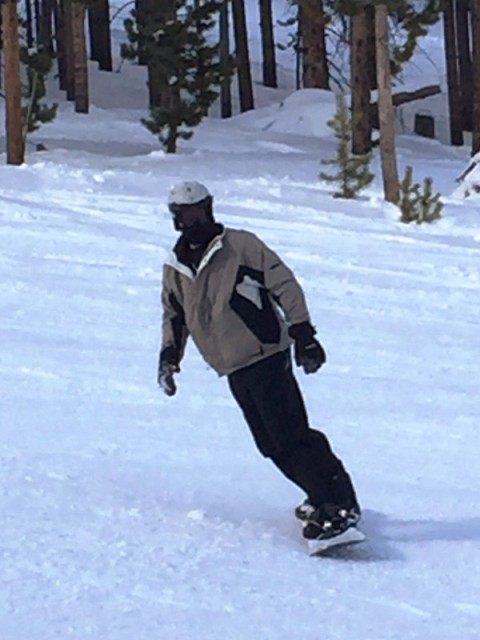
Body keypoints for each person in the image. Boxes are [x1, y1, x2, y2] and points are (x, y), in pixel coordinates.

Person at [157, 180, 360, 544]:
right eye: (182, 214)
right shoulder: (176, 266)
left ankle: (338, 505)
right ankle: (323, 497)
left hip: (265, 352)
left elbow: (284, 283)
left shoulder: (240, 245)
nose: (190, 221)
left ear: (210, 208)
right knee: (270, 444)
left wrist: (303, 333)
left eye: (196, 211)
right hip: (232, 364)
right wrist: (169, 357)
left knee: (291, 435)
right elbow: (174, 314)